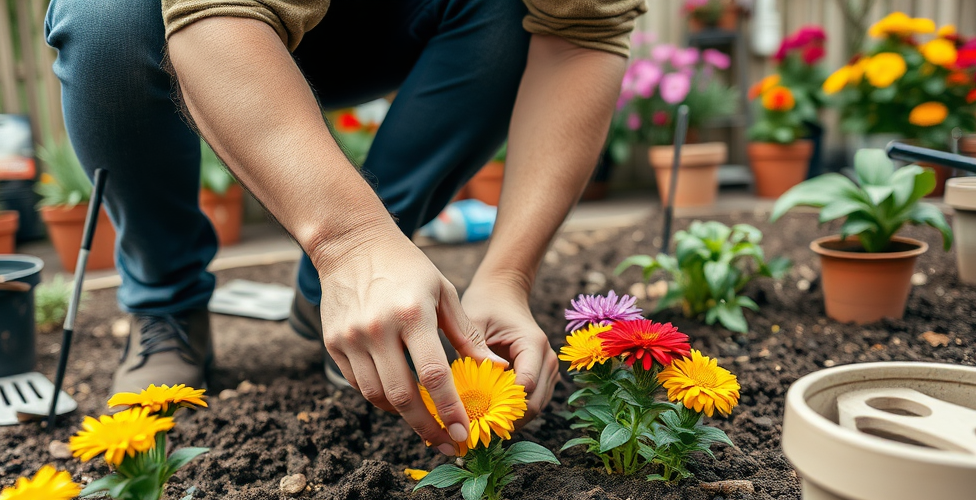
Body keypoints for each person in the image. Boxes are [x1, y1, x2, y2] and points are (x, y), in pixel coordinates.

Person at [45, 0, 646, 457]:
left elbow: (581, 34)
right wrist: (348, 241)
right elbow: (215, 13)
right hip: (199, 27)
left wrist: (508, 275)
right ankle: (166, 303)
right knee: (106, 21)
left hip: (400, 22)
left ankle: (337, 299)